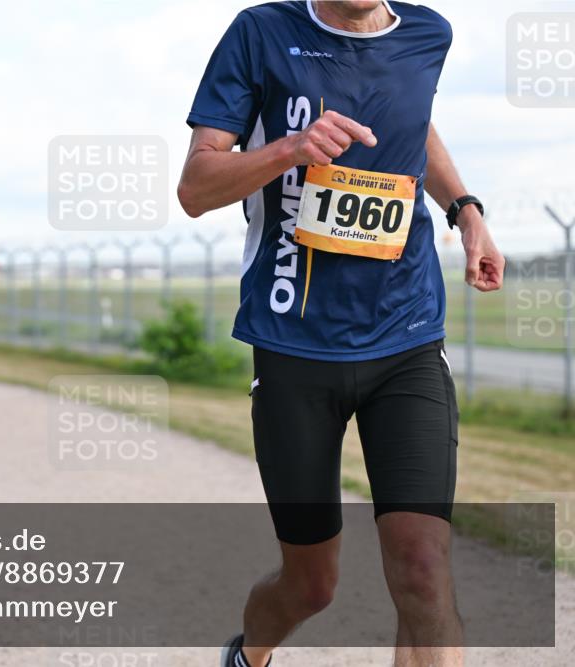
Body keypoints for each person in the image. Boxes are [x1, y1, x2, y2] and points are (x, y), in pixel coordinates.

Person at [177, 2, 505, 667]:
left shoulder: (426, 34)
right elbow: (195, 186)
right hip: (295, 340)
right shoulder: (261, 33)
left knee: (421, 565)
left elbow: (413, 124)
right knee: (311, 583)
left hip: (405, 333)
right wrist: (290, 149)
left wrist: (464, 208)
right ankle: (248, 655)